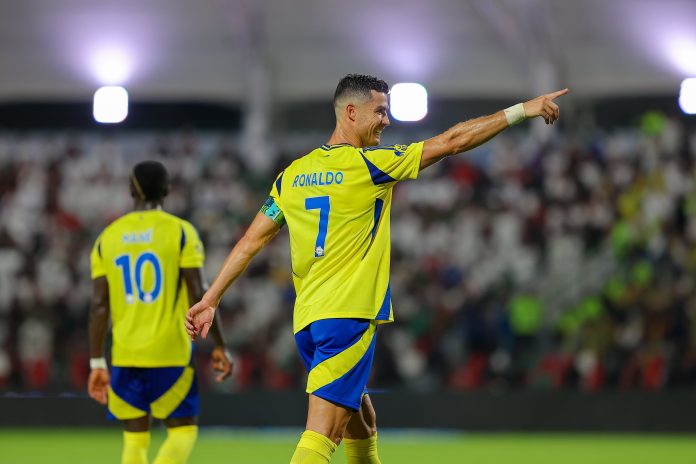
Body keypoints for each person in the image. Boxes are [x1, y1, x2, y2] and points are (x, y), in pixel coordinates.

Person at [186, 74, 568, 463]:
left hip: (308, 323)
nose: (387, 121)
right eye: (380, 111)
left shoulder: (292, 176)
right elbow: (452, 142)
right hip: (347, 316)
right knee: (322, 435)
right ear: (350, 112)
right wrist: (523, 110)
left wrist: (211, 299)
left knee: (362, 423)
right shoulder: (369, 165)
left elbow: (251, 241)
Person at [88, 160, 233, 464]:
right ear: (168, 190)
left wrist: (97, 361)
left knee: (135, 441)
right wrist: (219, 344)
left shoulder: (107, 238)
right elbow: (199, 294)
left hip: (126, 354)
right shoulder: (181, 233)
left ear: (130, 190)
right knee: (182, 435)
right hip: (171, 354)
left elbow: (100, 306)